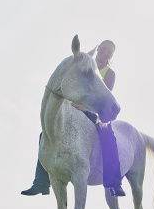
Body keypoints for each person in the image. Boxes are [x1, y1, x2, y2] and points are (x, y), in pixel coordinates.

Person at [21, 40, 126, 197]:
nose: (104, 55)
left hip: (93, 112)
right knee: (46, 134)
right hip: (74, 108)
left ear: (111, 57)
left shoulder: (109, 74)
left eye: (108, 54)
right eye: (102, 50)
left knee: (108, 136)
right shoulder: (86, 66)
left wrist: (85, 107)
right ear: (98, 50)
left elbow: (105, 95)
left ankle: (114, 181)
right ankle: (41, 182)